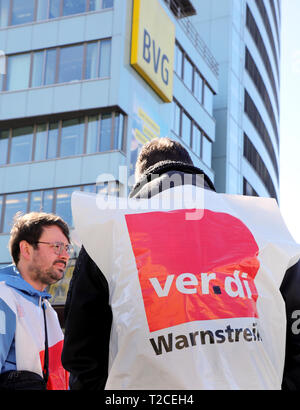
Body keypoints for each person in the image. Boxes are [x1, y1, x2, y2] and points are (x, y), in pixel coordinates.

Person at [62, 137, 300, 390]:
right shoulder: (262, 225)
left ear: (140, 178)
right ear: (190, 168)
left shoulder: (110, 228)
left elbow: (82, 352)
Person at [0, 211, 71, 390]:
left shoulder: (46, 309)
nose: (65, 255)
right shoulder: (3, 298)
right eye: (56, 246)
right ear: (26, 249)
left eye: (67, 248)